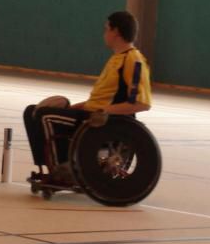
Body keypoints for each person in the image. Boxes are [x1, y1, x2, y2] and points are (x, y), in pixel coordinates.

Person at [24, 11, 152, 174]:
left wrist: (104, 110)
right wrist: (80, 106)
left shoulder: (134, 60)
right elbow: (105, 98)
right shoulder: (116, 58)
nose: (104, 34)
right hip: (90, 114)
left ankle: (62, 168)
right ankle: (50, 164)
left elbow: (142, 103)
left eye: (107, 29)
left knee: (44, 115)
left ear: (116, 32)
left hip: (104, 121)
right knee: (31, 112)